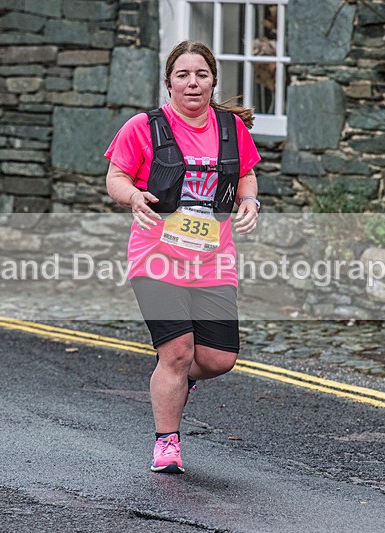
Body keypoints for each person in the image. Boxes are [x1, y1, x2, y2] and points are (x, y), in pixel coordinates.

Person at [104, 40, 261, 474]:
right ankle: (166, 444)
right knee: (175, 352)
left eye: (202, 75)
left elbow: (245, 173)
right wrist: (132, 195)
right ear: (169, 81)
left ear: (213, 81)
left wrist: (250, 203)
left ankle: (177, 381)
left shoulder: (230, 128)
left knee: (216, 359)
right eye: (183, 75)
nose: (193, 83)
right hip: (156, 256)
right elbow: (115, 176)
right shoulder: (143, 127)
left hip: (213, 259)